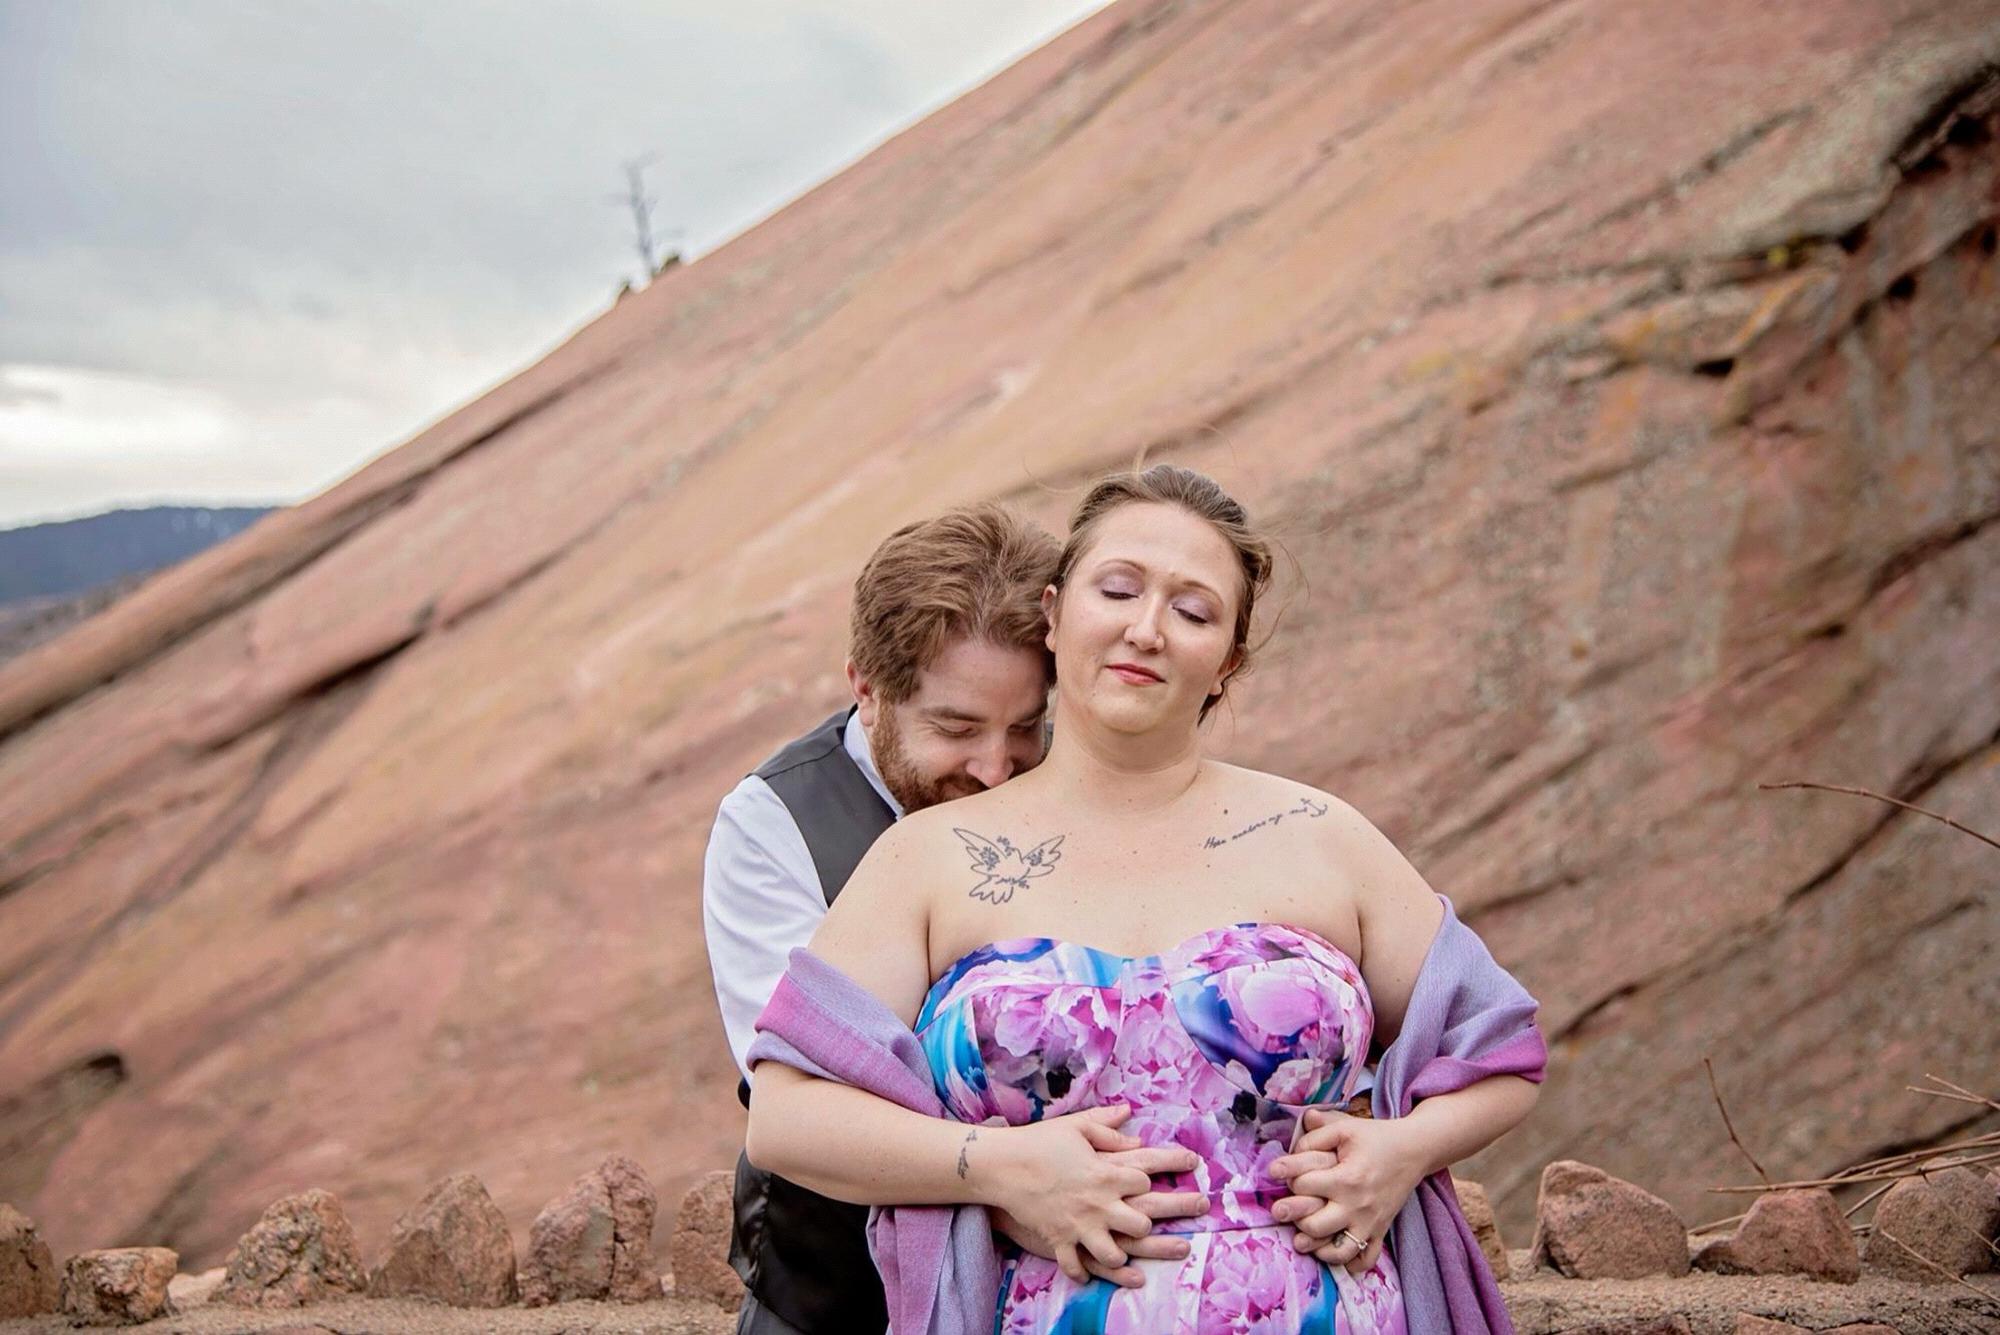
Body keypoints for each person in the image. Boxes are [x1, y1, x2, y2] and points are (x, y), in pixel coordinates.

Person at [743, 466, 1547, 1334]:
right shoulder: (928, 859)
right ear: (1053, 614)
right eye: (1118, 589)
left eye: (1194, 611)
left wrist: (1401, 1150)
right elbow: (787, 1117)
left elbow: (1501, 1049)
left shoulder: (1322, 834)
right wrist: (995, 1168)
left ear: (1228, 659)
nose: (1147, 628)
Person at [704, 503, 1203, 1335]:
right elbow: (810, 1100)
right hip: (836, 1300)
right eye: (956, 728)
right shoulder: (773, 823)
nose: (994, 768)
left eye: (1025, 728)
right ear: (866, 686)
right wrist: (1011, 1182)